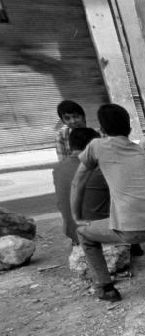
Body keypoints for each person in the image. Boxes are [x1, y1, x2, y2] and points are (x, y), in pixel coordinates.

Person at [71, 104, 145, 302]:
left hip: (131, 230)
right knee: (141, 209)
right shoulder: (141, 152)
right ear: (129, 127)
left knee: (83, 233)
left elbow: (77, 183)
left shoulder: (97, 146)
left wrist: (77, 217)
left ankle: (105, 287)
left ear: (102, 129)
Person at [52, 101, 88, 243]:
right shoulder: (61, 136)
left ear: (83, 116)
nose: (73, 121)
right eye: (68, 118)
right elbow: (64, 163)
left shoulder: (96, 133)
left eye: (76, 116)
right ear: (63, 121)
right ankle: (76, 233)